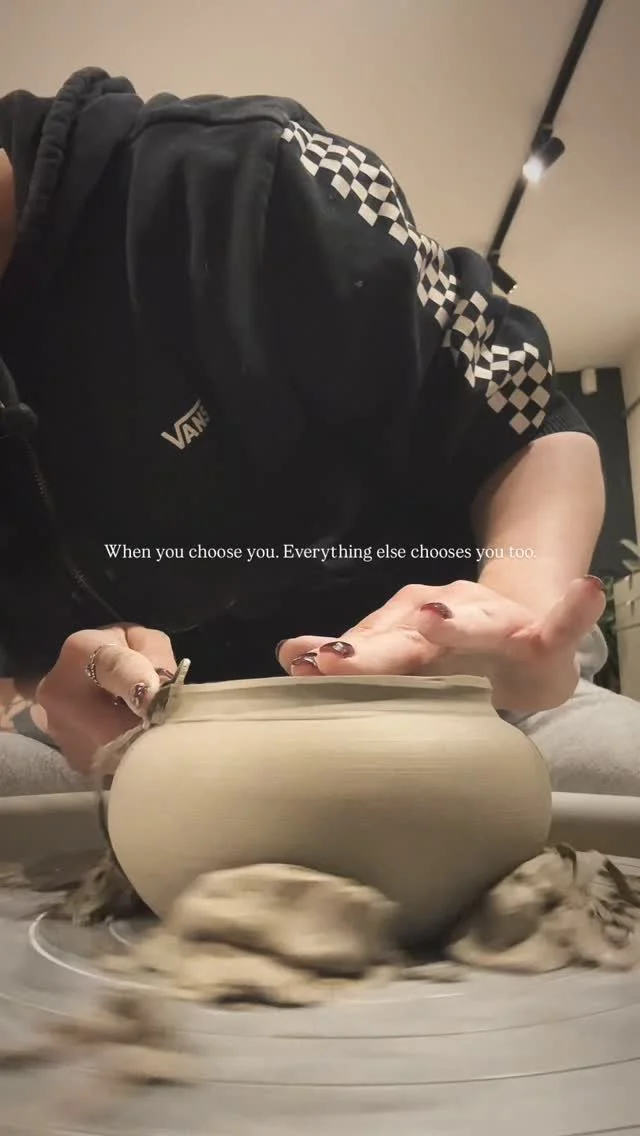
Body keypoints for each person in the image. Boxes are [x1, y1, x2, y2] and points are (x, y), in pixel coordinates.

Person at [0, 66, 630, 787]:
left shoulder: (242, 179)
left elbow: (529, 419)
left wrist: (516, 608)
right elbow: (33, 662)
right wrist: (61, 685)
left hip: (454, 683)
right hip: (181, 731)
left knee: (611, 778)